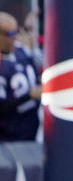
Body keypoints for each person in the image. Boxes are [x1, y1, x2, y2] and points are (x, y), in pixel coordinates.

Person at [0, 12, 41, 141]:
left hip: (33, 129)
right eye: (10, 34)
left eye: (16, 32)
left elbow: (36, 69)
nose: (15, 37)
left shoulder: (21, 50)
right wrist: (29, 96)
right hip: (8, 140)